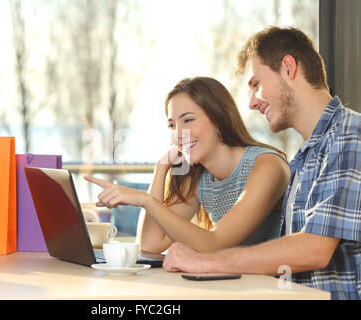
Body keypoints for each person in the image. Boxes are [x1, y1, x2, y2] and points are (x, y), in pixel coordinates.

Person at [163, 27, 361, 300]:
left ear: (288, 68)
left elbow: (314, 249)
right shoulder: (306, 156)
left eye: (256, 84)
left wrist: (204, 262)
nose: (252, 103)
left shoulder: (350, 135)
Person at [84, 76, 290, 254]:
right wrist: (160, 169)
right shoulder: (198, 175)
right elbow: (149, 245)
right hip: (232, 283)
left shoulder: (266, 166)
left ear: (219, 120)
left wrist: (144, 200)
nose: (178, 134)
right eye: (172, 125)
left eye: (188, 120)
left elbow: (214, 244)